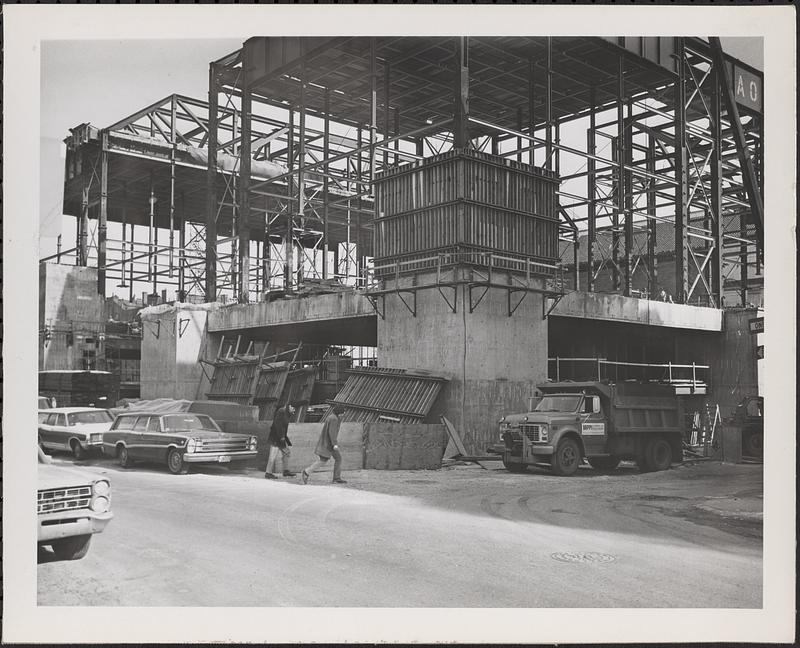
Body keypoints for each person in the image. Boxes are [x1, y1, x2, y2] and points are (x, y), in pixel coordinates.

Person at [301, 404, 346, 485]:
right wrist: (334, 444)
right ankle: (307, 472)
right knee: (326, 460)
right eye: (343, 412)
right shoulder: (334, 419)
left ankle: (336, 478)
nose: (343, 414)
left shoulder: (331, 417)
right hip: (329, 444)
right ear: (339, 412)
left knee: (334, 459)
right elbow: (332, 432)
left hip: (327, 443)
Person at [265, 404, 296, 479]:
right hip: (276, 438)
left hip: (281, 438)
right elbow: (277, 424)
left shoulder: (287, 414)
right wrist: (281, 436)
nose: (294, 409)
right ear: (289, 406)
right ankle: (268, 473)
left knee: (287, 452)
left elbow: (284, 426)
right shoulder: (281, 411)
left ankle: (286, 471)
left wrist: (283, 437)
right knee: (273, 456)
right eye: (293, 408)